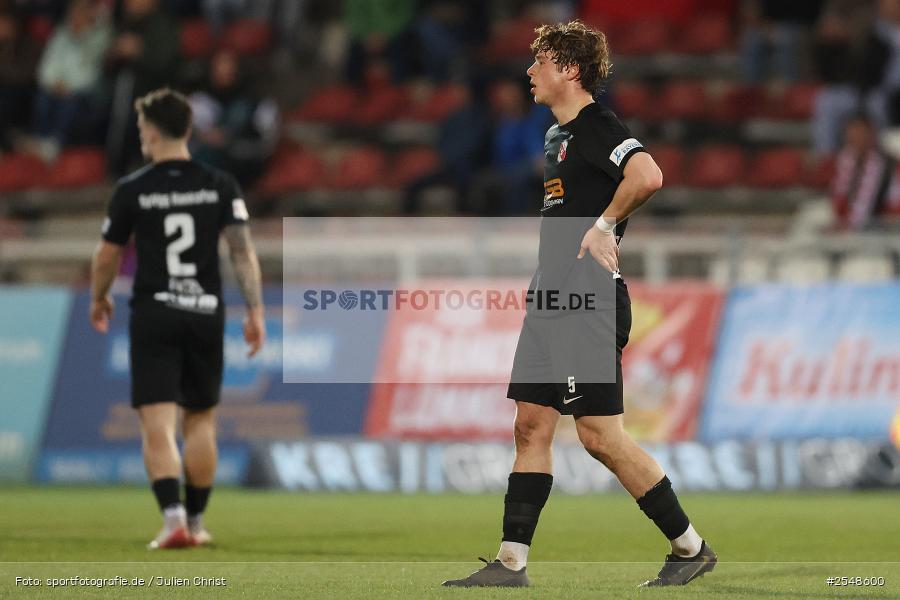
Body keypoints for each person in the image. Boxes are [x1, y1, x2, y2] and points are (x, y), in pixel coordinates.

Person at [442, 21, 716, 589]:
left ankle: (689, 547)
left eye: (540, 60)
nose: (529, 71)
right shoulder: (556, 136)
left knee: (598, 435)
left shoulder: (596, 125)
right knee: (531, 424)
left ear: (569, 69)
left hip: (587, 300)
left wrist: (606, 225)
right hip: (553, 298)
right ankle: (511, 563)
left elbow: (649, 174)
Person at [88, 88, 266, 549]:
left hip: (156, 313)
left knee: (157, 425)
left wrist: (99, 298)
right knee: (201, 421)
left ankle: (172, 521)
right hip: (205, 312)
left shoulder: (133, 188)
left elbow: (107, 256)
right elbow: (242, 253)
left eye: (141, 127)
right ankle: (199, 521)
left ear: (148, 131)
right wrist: (256, 310)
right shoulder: (220, 184)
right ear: (188, 129)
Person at [29, 0, 111, 162]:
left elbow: (92, 72)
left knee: (71, 102)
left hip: (85, 92)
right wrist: (53, 83)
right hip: (56, 87)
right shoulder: (61, 34)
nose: (77, 16)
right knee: (42, 96)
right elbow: (47, 65)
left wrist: (69, 87)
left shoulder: (100, 37)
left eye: (82, 11)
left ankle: (55, 144)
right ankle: (40, 139)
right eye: (75, 11)